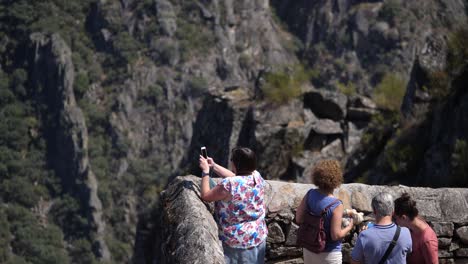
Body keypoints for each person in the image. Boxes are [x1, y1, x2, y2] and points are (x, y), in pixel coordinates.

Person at [199, 147, 267, 264]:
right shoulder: (257, 176)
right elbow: (236, 177)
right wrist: (214, 166)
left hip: (237, 241)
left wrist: (205, 171)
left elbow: (206, 195)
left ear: (236, 164)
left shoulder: (229, 185)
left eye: (232, 160)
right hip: (258, 235)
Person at [296, 160, 354, 264]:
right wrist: (349, 227)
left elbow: (298, 218)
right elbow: (335, 235)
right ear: (336, 179)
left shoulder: (310, 194)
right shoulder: (336, 204)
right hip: (329, 254)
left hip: (309, 249)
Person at [351, 192, 412, 264]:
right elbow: (408, 253)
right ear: (393, 211)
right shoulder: (405, 233)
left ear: (374, 211)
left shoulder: (364, 236)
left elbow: (355, 261)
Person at [394, 193, 439, 264]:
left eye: (395, 218)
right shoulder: (414, 225)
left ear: (403, 217)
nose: (394, 221)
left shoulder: (427, 241)